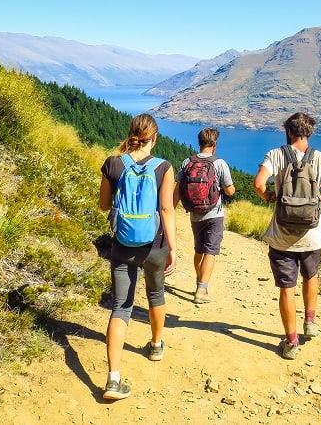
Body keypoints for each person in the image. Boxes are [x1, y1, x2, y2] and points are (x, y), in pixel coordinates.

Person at [98, 113, 178, 400]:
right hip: (154, 245)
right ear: (154, 138)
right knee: (156, 294)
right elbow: (167, 210)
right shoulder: (164, 167)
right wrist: (173, 247)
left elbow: (103, 205)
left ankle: (113, 379)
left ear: (131, 134)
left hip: (122, 244)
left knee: (121, 306)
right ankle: (156, 345)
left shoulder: (113, 164)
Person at [253, 112, 321, 360]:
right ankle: (310, 322)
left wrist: (270, 197)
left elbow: (258, 183)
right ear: (309, 133)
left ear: (288, 131)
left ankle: (291, 342)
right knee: (311, 275)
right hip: (312, 235)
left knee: (286, 288)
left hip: (282, 235)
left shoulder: (276, 155)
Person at [175, 127, 235, 304]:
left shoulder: (187, 162)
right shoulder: (219, 163)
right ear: (214, 145)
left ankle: (199, 280)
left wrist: (168, 211)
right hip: (214, 214)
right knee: (211, 251)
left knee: (199, 250)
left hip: (195, 214)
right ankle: (202, 289)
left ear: (199, 143)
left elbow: (177, 189)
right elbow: (230, 191)